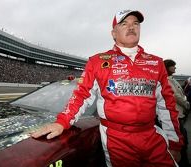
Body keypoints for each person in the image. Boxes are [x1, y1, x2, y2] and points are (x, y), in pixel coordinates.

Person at [31, 10, 183, 167]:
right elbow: (82, 95)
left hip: (151, 136)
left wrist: (174, 142)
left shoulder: (156, 63)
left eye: (135, 24)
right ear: (113, 33)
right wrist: (61, 122)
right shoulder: (97, 62)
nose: (131, 27)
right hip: (116, 140)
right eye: (124, 24)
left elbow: (167, 106)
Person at [164, 59, 190, 167]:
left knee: (182, 138)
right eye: (173, 66)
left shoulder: (172, 79)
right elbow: (176, 96)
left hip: (179, 112)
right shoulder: (167, 80)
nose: (175, 68)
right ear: (167, 67)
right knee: (180, 139)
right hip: (175, 114)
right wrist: (186, 104)